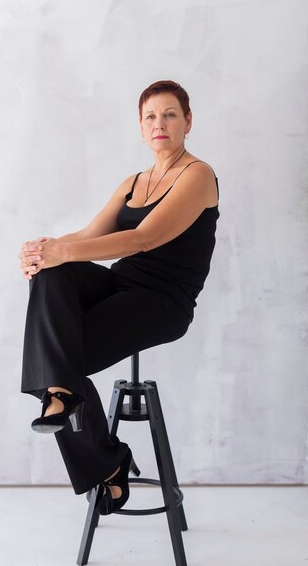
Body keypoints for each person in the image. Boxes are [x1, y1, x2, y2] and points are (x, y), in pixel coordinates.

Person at [18, 79, 219, 515]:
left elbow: (143, 238)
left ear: (187, 121)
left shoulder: (198, 175)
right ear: (141, 128)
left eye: (169, 114)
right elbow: (89, 236)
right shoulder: (134, 182)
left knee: (61, 356)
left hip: (163, 301)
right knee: (52, 275)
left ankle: (106, 459)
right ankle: (66, 401)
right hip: (122, 285)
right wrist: (42, 251)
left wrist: (62, 252)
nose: (159, 123)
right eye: (150, 116)